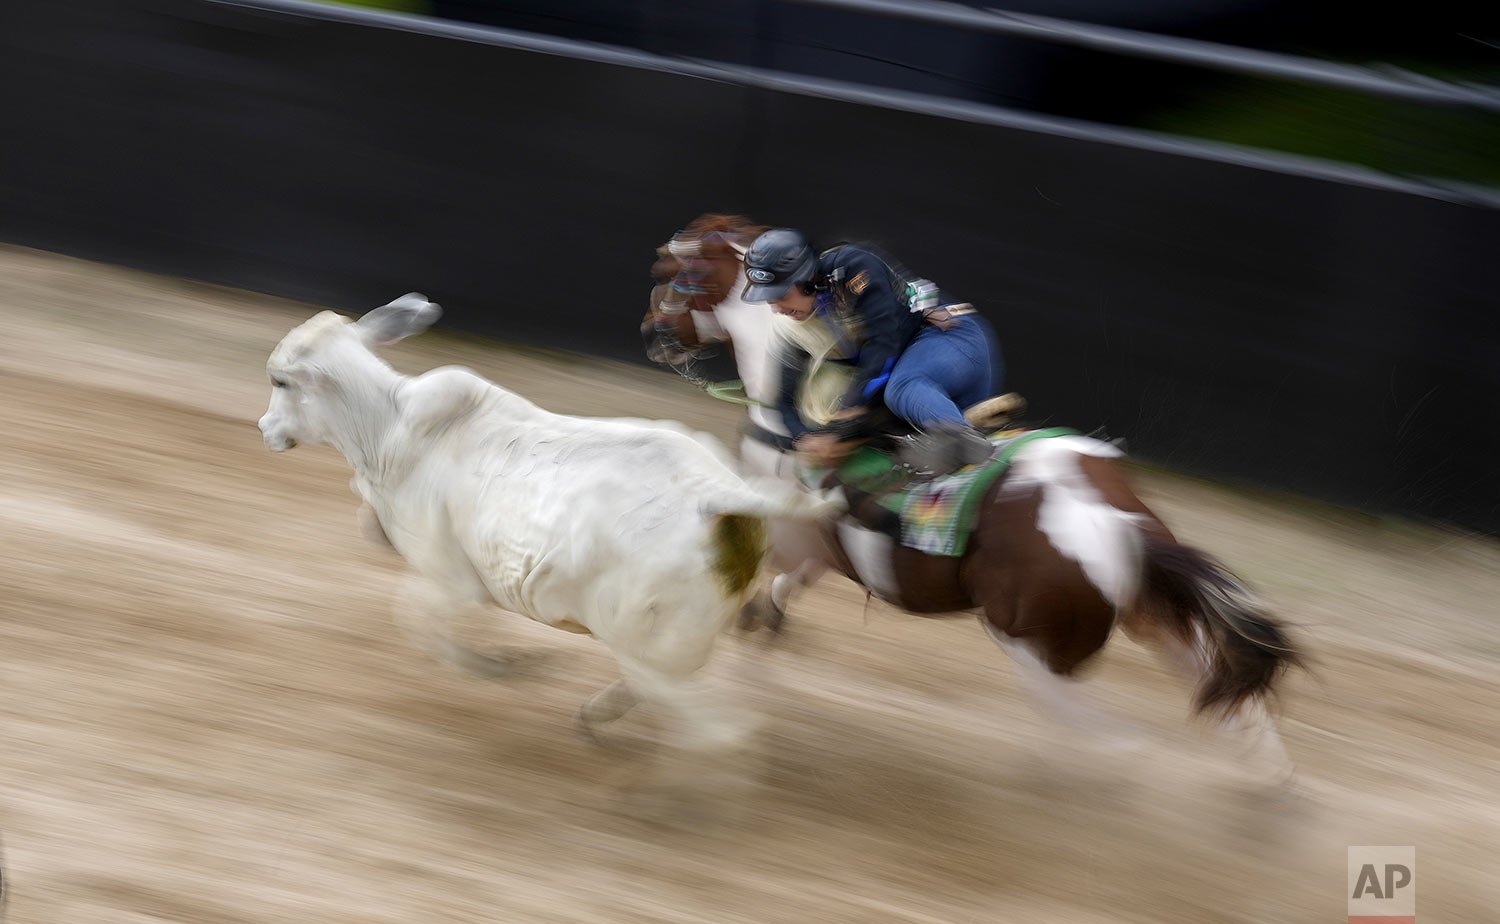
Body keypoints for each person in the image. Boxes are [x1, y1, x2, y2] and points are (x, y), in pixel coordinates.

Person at [741, 228, 1006, 473]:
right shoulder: (793, 328)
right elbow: (783, 401)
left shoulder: (854, 266)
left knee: (899, 389)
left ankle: (965, 443)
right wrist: (807, 438)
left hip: (952, 336)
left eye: (780, 295)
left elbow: (883, 346)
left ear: (808, 279)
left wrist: (851, 407)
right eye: (768, 299)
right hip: (921, 381)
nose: (776, 308)